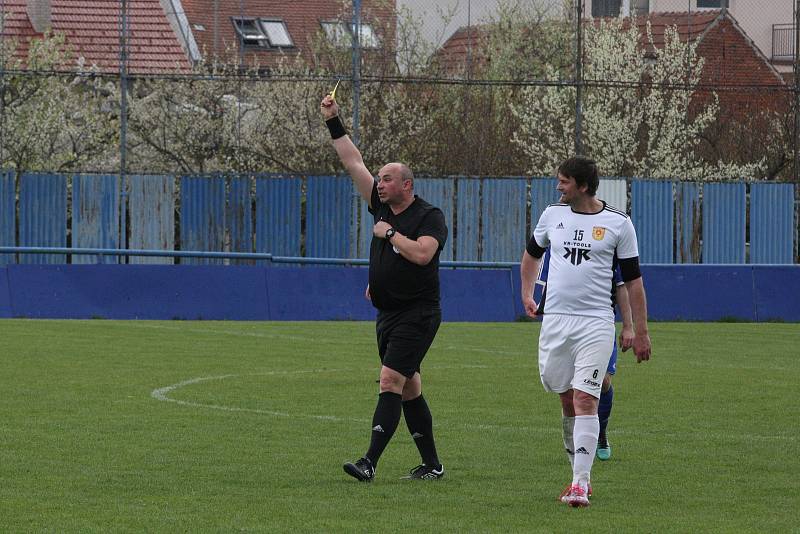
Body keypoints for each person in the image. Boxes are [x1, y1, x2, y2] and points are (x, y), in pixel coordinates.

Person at [320, 92, 448, 482]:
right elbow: (351, 160)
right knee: (409, 389)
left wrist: (390, 233)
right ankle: (433, 465)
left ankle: (369, 462)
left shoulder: (429, 215)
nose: (380, 182)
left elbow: (423, 255)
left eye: (388, 178)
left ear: (407, 185)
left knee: (390, 379)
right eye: (380, 178)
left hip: (419, 313)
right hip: (387, 314)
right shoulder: (379, 204)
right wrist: (333, 120)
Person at [521, 156, 651, 508]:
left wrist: (640, 331)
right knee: (565, 398)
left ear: (581, 185)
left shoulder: (619, 224)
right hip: (555, 322)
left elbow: (633, 281)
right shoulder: (552, 215)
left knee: (584, 399)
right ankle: (577, 472)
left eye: (563, 181)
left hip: (595, 322)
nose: (558, 187)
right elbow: (531, 255)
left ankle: (580, 482)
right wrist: (527, 292)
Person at [533, 250, 634, 464]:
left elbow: (621, 286)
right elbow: (544, 280)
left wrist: (628, 326)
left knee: (603, 381)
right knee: (571, 392)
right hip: (565, 327)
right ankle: (577, 469)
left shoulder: (607, 245)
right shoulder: (558, 242)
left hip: (598, 326)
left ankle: (601, 431)